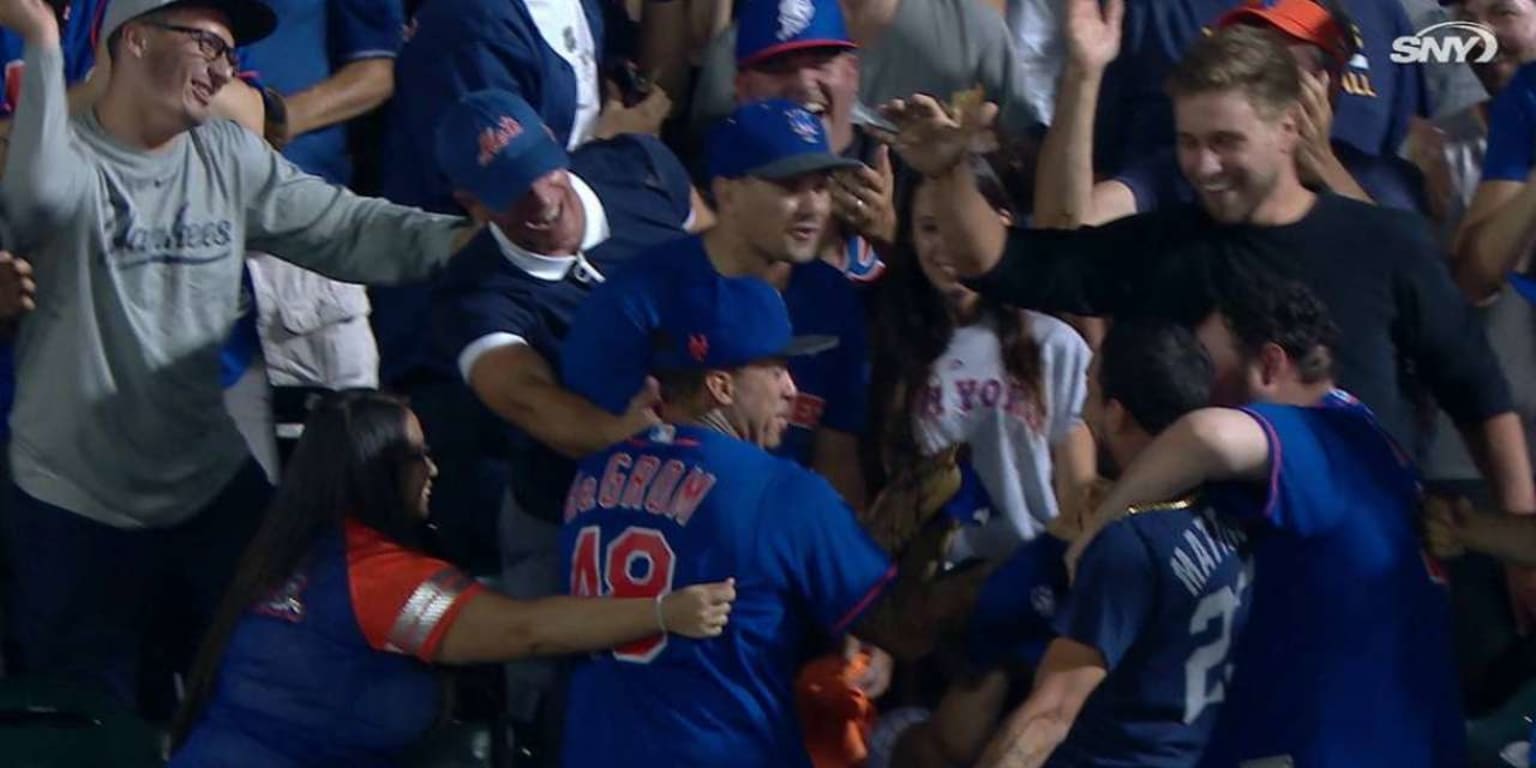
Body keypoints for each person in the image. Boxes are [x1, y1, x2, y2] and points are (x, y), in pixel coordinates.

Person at [0, 0, 479, 707]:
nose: (224, 69)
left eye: (228, 52)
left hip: (204, 488)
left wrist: (469, 244)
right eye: (204, 44)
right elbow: (37, 198)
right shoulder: (61, 157)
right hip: (75, 503)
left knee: (255, 692)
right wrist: (40, 39)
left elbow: (345, 227)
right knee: (86, 727)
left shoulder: (226, 156)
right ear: (131, 40)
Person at [880, 23, 1536, 523]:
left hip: (1358, 561)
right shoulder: (1158, 247)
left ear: (1288, 128)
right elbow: (995, 260)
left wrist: (1519, 549)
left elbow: (1480, 399)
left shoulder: (1388, 242)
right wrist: (945, 173)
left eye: (1225, 142)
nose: (1203, 165)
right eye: (1189, 142)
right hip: (1206, 574)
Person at [165, 390, 735, 765]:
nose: (433, 468)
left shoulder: (289, 554)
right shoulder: (378, 579)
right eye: (418, 455)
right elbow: (525, 632)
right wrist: (664, 611)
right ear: (380, 472)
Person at [1063, 271, 1462, 766]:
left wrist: (1098, 528)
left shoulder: (1318, 433)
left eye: (1212, 366)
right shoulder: (1363, 435)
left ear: (1270, 364)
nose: (1202, 385)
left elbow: (1206, 436)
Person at [559, 272, 895, 768]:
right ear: (719, 385)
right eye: (775, 370)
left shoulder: (590, 476)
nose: (791, 389)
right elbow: (895, 623)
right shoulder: (781, 491)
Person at [561, 99, 872, 510]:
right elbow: (593, 459)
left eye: (820, 187)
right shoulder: (638, 298)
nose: (813, 207)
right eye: (789, 187)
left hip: (782, 531)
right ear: (727, 192)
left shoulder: (832, 297)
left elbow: (837, 455)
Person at [974, 319, 1251, 768]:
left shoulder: (1131, 544)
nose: (1084, 411)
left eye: (1090, 390)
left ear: (1118, 414)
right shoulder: (1231, 512)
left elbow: (1049, 716)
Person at [870, 154, 1094, 562]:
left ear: (1001, 222)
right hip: (931, 585)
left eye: (958, 224)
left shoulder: (1054, 343)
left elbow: (1080, 493)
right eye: (929, 228)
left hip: (1032, 575)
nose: (945, 245)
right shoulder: (891, 340)